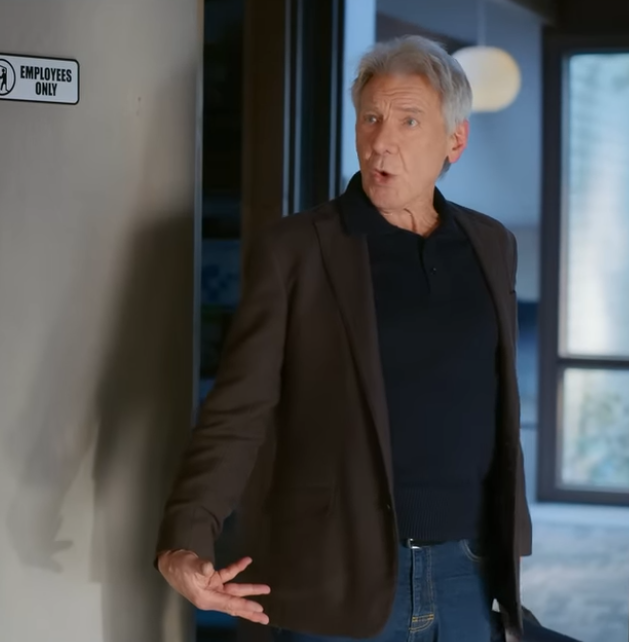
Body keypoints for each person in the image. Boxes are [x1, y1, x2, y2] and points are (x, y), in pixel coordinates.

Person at [154, 35, 533, 642]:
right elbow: (238, 413)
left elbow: (496, 404)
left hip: (469, 571)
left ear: (455, 141)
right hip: (339, 574)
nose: (382, 141)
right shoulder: (297, 249)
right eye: (371, 118)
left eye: (409, 121)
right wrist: (186, 540)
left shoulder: (491, 245)